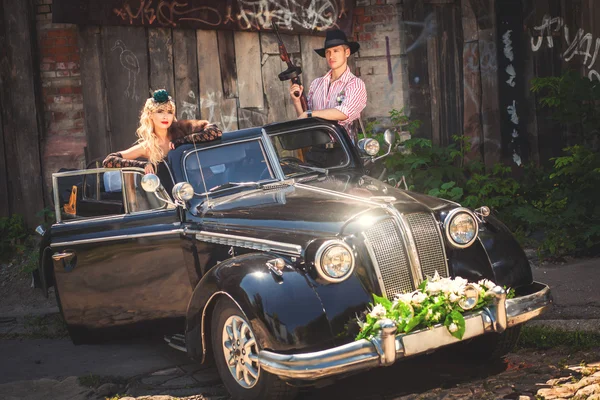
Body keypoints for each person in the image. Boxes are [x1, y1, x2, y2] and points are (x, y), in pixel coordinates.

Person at [102, 89, 222, 174]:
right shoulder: (147, 146)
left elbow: (215, 132)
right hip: (172, 198)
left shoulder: (183, 129)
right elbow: (109, 161)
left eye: (169, 112)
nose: (165, 117)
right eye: (160, 112)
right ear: (150, 115)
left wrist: (183, 140)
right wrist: (142, 165)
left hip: (201, 190)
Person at [289, 29, 367, 142]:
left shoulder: (355, 84)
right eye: (328, 52)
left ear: (347, 53)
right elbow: (305, 119)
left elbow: (344, 112)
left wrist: (310, 114)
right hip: (316, 148)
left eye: (336, 51)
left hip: (342, 149)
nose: (331, 56)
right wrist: (296, 101)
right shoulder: (316, 84)